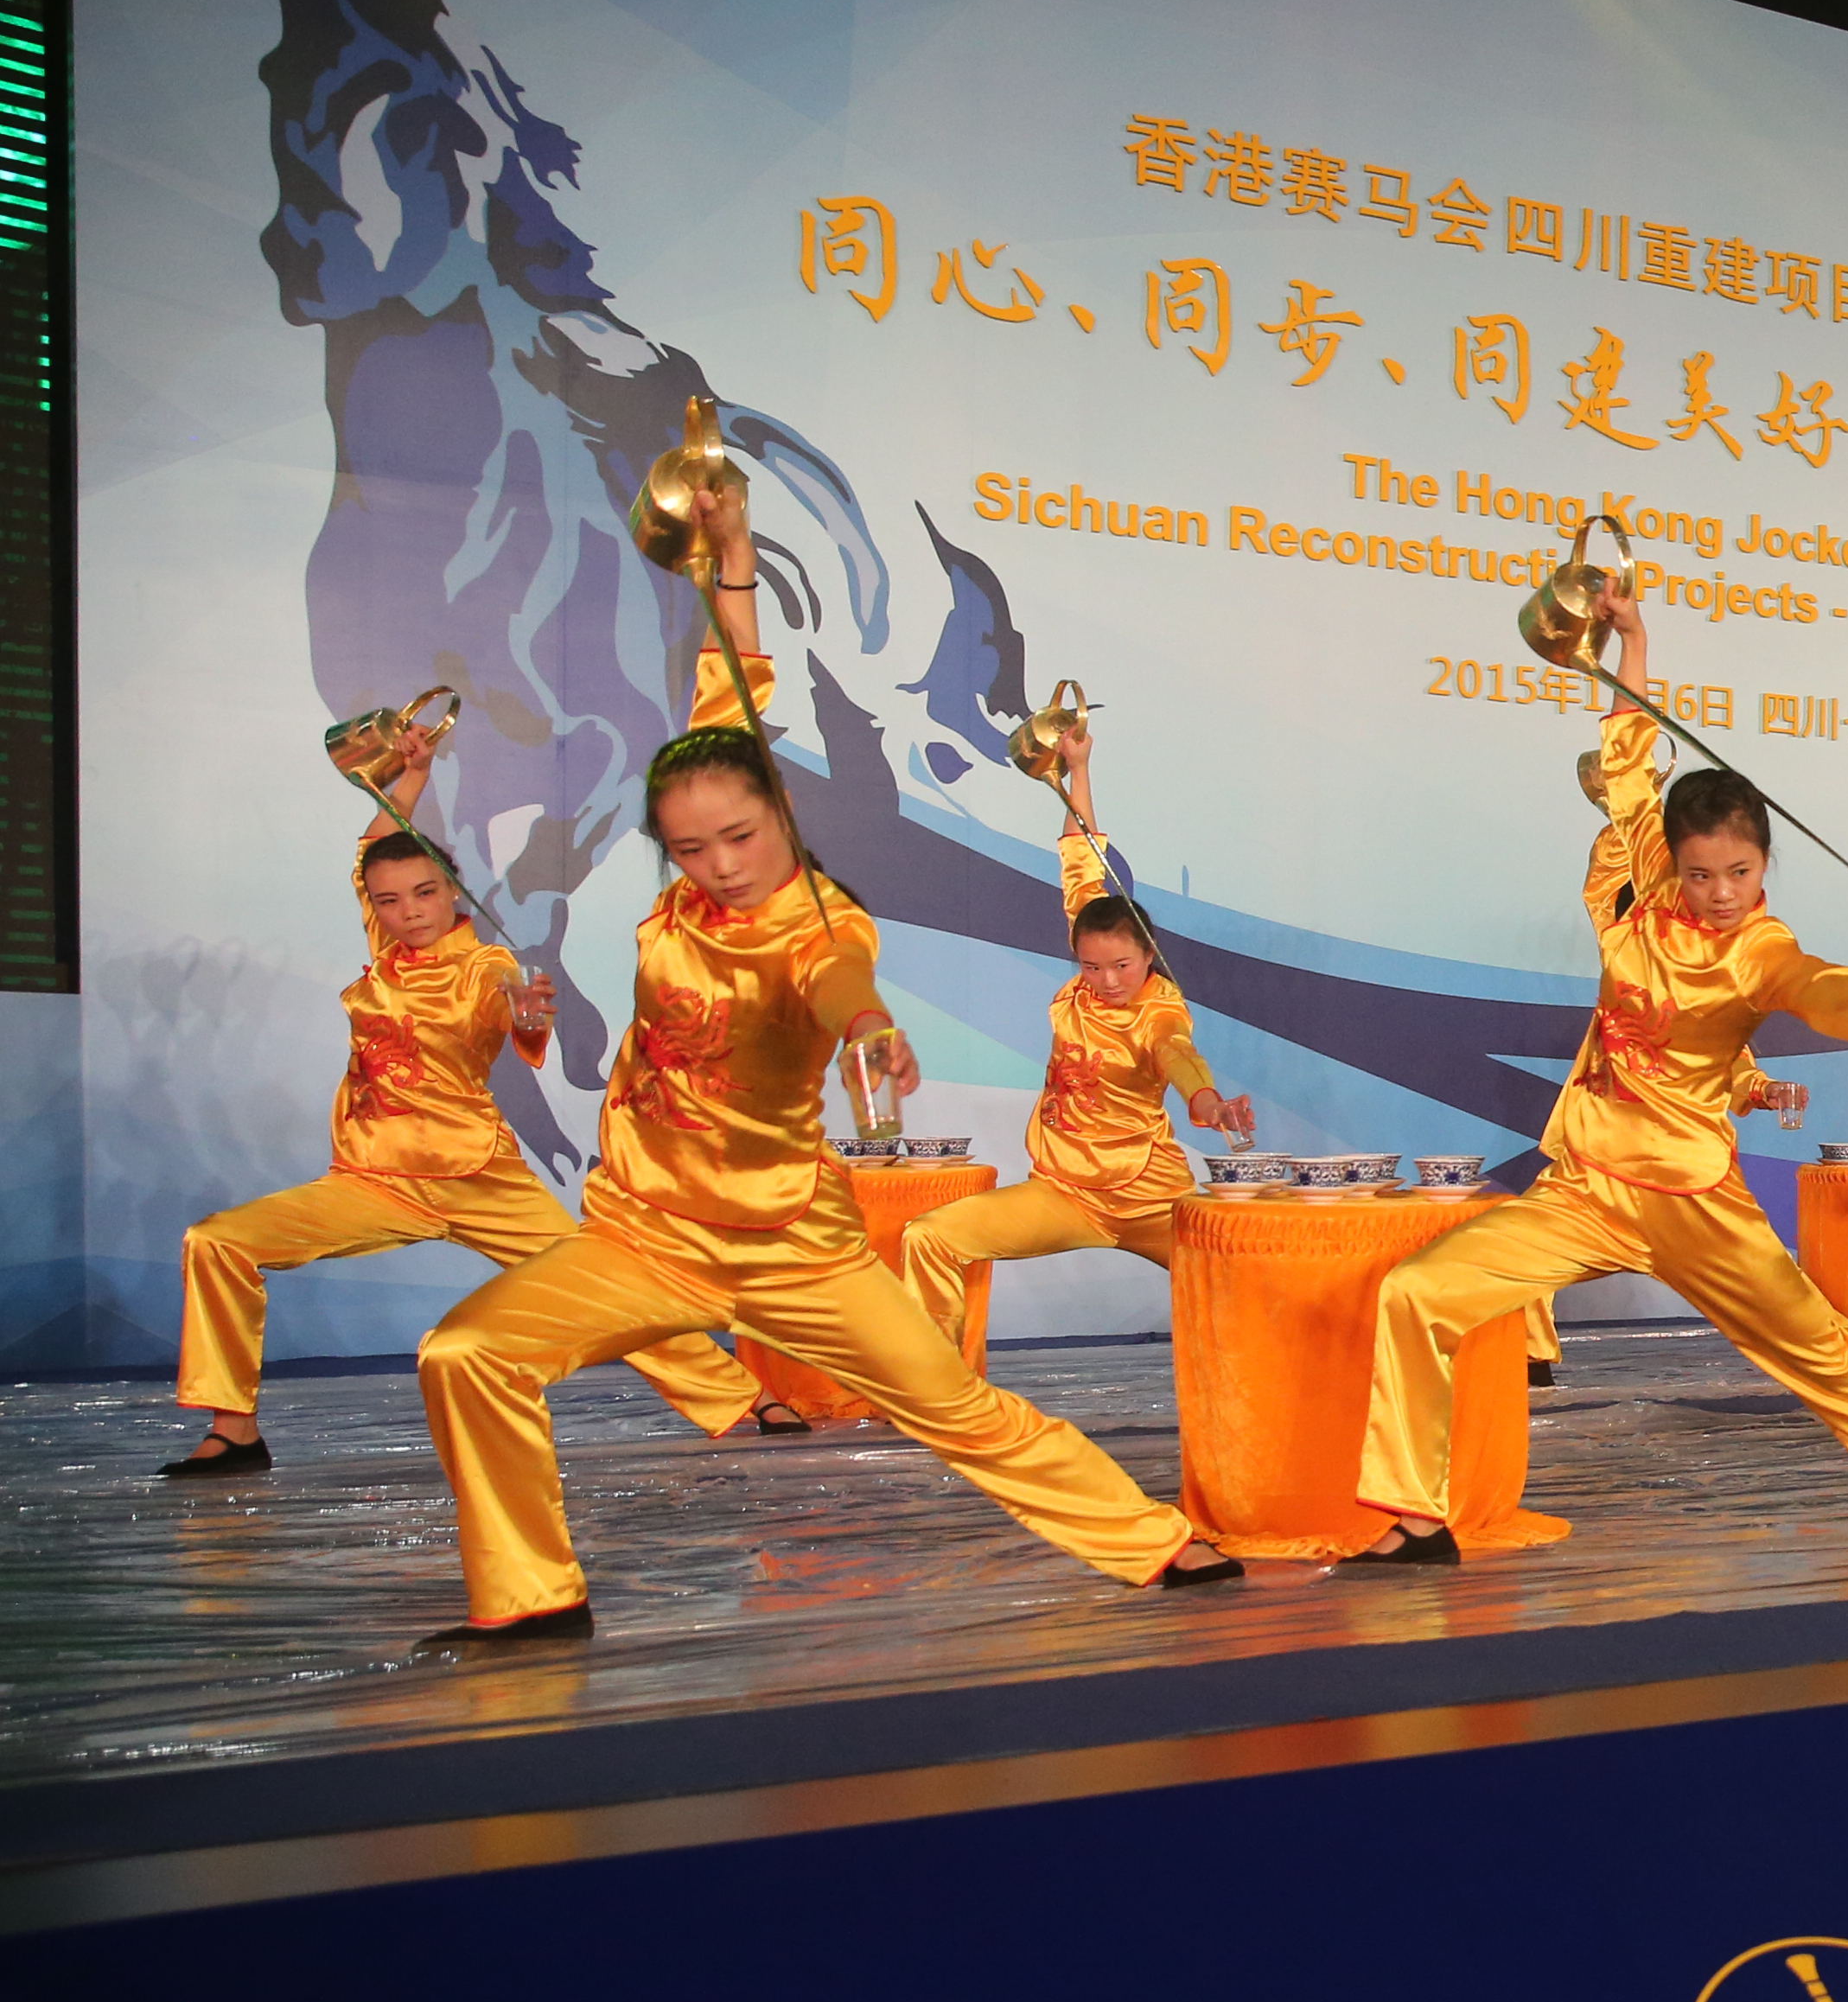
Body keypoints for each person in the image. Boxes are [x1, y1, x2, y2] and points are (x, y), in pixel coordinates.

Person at [412, 474, 1227, 1643]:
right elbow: (733, 678)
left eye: (740, 837)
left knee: (956, 1407)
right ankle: (533, 1597)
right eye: (691, 848)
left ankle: (1157, 1541)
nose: (720, 863)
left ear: (781, 822)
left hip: (794, 1247)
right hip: (648, 1237)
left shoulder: (819, 923)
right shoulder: (688, 885)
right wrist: (732, 549)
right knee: (466, 1352)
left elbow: (838, 981)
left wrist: (869, 1028)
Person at [1345, 586, 1848, 1557]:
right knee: (1414, 1292)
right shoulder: (1647, 887)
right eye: (1702, 874)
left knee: (1824, 1353)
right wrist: (1633, 639)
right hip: (1588, 1189)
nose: (1720, 893)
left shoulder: (1760, 948)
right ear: (1671, 863)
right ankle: (1415, 1515)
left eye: (1741, 873)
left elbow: (1822, 986)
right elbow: (1628, 756)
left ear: (1765, 866)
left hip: (1694, 1202)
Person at [166, 723, 781, 1476]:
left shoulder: (484, 965)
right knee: (217, 1241)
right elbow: (374, 848)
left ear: (451, 890)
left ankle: (743, 1397)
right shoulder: (389, 951)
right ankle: (234, 1429)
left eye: (425, 893)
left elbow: (510, 1010)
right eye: (390, 901)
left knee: (598, 1289)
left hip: (479, 1179)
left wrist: (527, 1016)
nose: (410, 911)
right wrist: (413, 776)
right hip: (373, 1180)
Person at [892, 713, 1249, 1348]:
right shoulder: (1092, 958)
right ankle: (938, 1384)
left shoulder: (1159, 1010)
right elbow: (1082, 863)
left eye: (1122, 966)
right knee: (930, 1237)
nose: (1107, 980)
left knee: (1246, 1285)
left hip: (1149, 1197)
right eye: (1091, 966)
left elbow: (1176, 1053)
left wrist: (1207, 1099)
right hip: (1062, 1193)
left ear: (1148, 956)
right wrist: (1078, 770)